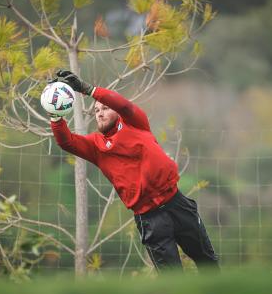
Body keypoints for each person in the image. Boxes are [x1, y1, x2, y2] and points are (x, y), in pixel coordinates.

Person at [45, 69, 220, 272]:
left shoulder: (135, 122)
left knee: (208, 262)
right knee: (172, 277)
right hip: (150, 219)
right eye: (96, 111)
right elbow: (67, 142)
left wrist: (87, 89)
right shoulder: (96, 146)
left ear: (117, 112)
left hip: (177, 204)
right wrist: (54, 114)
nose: (100, 112)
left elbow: (123, 103)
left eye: (105, 108)